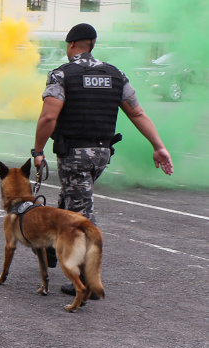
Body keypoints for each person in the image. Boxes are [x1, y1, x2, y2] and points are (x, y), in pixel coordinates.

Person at [32, 23, 173, 295]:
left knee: (81, 214)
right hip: (101, 154)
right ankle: (51, 245)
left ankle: (85, 280)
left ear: (71, 45)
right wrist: (159, 146)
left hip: (74, 154)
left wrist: (38, 151)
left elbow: (49, 117)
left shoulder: (62, 74)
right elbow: (137, 113)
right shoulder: (115, 74)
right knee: (73, 197)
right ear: (92, 44)